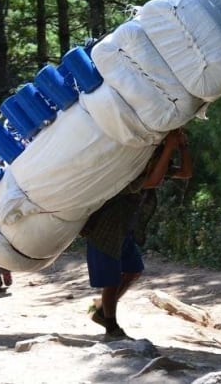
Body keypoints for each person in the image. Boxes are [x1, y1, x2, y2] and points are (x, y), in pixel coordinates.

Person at [82, 128, 192, 339]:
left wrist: (183, 146)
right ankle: (111, 326)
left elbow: (186, 172)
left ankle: (102, 312)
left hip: (124, 229)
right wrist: (170, 147)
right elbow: (153, 182)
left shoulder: (153, 168)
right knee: (111, 280)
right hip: (105, 229)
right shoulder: (131, 170)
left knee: (133, 270)